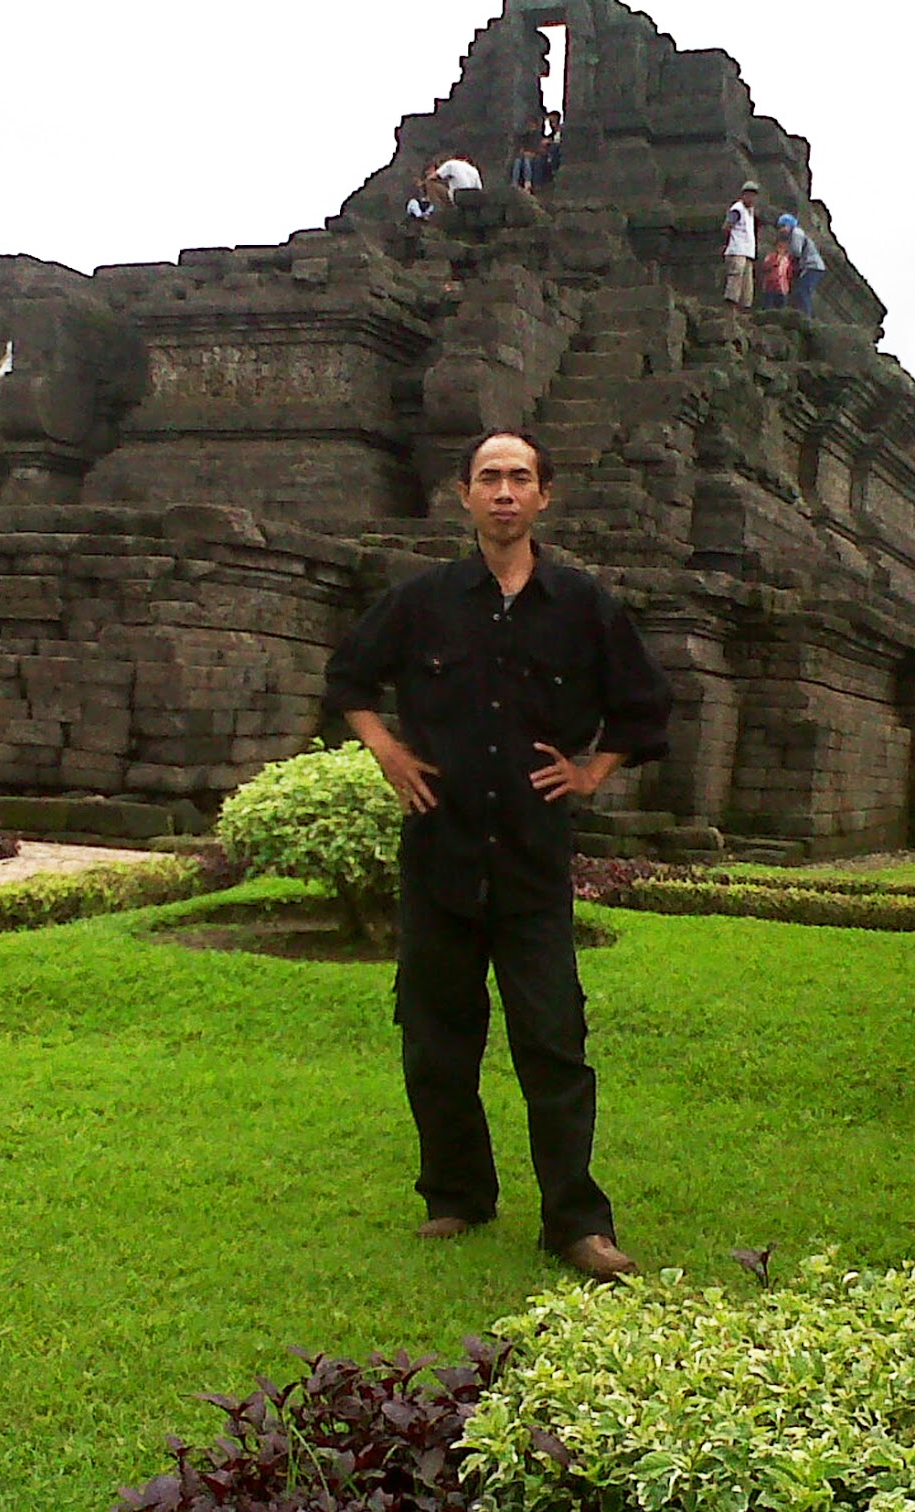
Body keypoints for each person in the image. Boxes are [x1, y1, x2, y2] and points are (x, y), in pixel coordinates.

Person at [324, 429, 673, 1282]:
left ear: (544, 496)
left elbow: (644, 707)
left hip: (530, 860)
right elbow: (349, 681)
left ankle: (577, 1223)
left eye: (521, 478)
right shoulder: (424, 600)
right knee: (437, 1041)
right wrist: (389, 753)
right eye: (490, 478)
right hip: (439, 852)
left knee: (552, 1042)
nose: (506, 492)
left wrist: (592, 773)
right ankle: (456, 1197)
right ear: (467, 496)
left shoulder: (584, 605)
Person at [778, 213, 827, 317]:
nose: (782, 230)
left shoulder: (797, 233)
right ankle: (801, 314)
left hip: (813, 266)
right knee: (800, 291)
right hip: (808, 266)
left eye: (783, 226)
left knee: (803, 290)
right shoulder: (793, 235)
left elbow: (796, 252)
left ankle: (806, 316)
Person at [723, 180, 759, 311]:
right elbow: (727, 226)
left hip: (748, 252)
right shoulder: (737, 209)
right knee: (736, 277)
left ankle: (744, 309)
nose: (751, 198)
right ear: (743, 195)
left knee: (747, 283)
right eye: (749, 195)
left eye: (754, 195)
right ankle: (731, 305)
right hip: (737, 250)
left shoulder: (750, 212)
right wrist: (727, 243)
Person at [758, 230, 794, 309]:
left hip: (783, 288)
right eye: (779, 247)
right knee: (768, 305)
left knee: (781, 306)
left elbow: (789, 274)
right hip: (770, 286)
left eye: (784, 248)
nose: (781, 250)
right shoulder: (771, 257)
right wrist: (776, 262)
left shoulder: (787, 260)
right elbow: (765, 267)